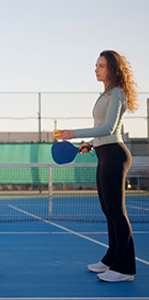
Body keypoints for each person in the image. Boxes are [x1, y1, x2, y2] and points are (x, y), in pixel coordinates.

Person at [56, 50, 138, 282]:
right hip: (103, 153)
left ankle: (125, 269)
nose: (96, 68)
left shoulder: (118, 94)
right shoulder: (106, 94)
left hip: (114, 154)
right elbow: (102, 129)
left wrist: (75, 133)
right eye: (96, 65)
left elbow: (110, 129)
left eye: (101, 65)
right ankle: (112, 258)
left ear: (112, 69)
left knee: (116, 211)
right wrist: (89, 143)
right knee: (107, 210)